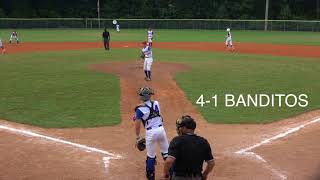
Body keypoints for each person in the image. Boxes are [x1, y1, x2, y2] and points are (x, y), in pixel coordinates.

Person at [133, 86, 170, 180]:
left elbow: (137, 125)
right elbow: (149, 108)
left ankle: (151, 177)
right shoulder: (156, 103)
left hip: (151, 133)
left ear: (141, 96)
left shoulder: (139, 110)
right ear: (150, 95)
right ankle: (171, 173)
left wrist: (137, 137)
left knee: (151, 156)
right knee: (166, 153)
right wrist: (138, 113)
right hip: (161, 130)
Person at [163, 115, 215, 180]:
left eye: (180, 127)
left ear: (185, 128)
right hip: (197, 177)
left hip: (179, 177)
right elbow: (211, 163)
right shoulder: (203, 142)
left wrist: (166, 175)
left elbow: (169, 161)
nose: (179, 129)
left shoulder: (177, 140)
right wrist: (205, 174)